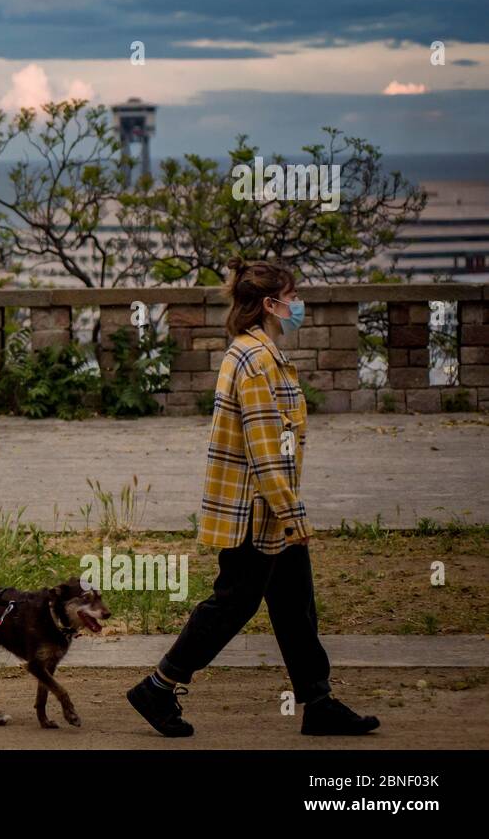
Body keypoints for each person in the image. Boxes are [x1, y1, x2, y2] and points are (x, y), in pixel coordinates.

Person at [127, 257, 380, 738]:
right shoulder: (256, 361)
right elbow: (266, 451)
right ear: (269, 304)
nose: (298, 304)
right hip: (255, 511)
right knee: (233, 604)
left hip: (266, 511)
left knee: (295, 603)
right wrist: (293, 515)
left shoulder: (256, 354)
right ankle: (158, 687)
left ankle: (318, 702)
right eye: (292, 296)